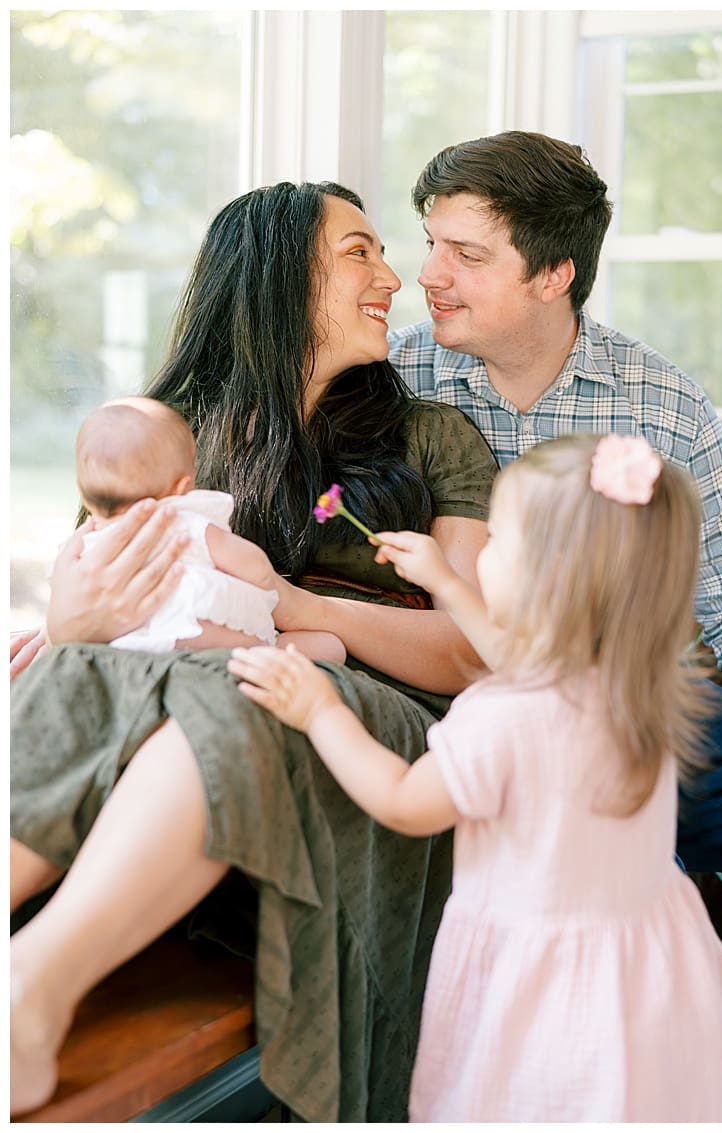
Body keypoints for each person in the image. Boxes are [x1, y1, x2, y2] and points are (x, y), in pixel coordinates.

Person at [10, 181, 499, 1121]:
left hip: (375, 748)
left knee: (245, 683)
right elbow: (104, 607)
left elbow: (470, 653)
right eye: (359, 252)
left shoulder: (434, 437)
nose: (392, 277)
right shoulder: (163, 431)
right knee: (68, 670)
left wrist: (291, 603)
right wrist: (69, 625)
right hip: (201, 715)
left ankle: (30, 990)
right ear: (280, 275)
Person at [228, 432, 722, 1120]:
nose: (483, 556)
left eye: (499, 541)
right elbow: (520, 657)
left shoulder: (505, 715)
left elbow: (403, 800)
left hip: (540, 993)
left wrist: (320, 709)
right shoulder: (641, 687)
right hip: (642, 977)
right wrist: (445, 583)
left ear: (549, 578)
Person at [387, 131, 722, 874]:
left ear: (554, 276)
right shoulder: (392, 375)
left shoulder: (663, 404)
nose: (427, 275)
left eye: (467, 254)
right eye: (432, 244)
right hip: (452, 696)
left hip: (620, 706)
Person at [72, 395, 345, 660]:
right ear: (181, 486)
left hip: (137, 647)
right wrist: (268, 581)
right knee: (330, 648)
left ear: (84, 496)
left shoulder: (89, 543)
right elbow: (252, 567)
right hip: (214, 637)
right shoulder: (181, 518)